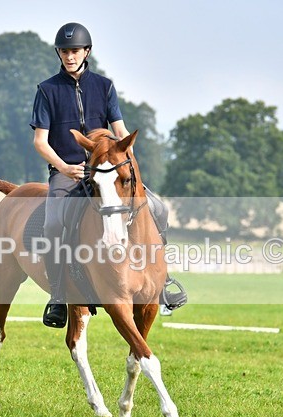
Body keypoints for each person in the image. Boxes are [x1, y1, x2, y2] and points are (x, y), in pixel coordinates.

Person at [30, 22, 186, 328]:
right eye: (64, 51)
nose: (69, 56)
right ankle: (59, 298)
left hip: (109, 170)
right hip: (70, 172)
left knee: (158, 208)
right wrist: (63, 167)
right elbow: (40, 141)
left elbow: (120, 130)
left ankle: (162, 281)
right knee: (52, 223)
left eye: (74, 51)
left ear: (87, 51)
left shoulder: (104, 86)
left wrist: (130, 165)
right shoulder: (47, 90)